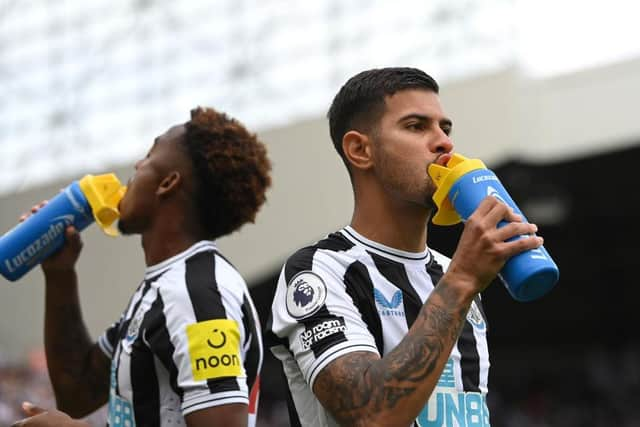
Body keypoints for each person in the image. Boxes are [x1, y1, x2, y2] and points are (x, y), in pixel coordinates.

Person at [266, 67, 544, 427]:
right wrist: (462, 281)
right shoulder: (318, 271)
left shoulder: (451, 274)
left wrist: (460, 279)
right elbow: (371, 414)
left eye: (445, 128)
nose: (443, 142)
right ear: (360, 150)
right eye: (416, 126)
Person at [12, 107, 272, 427]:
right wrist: (60, 274)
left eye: (148, 157)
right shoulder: (164, 287)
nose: (136, 166)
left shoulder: (195, 295)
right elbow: (77, 392)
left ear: (167, 183)